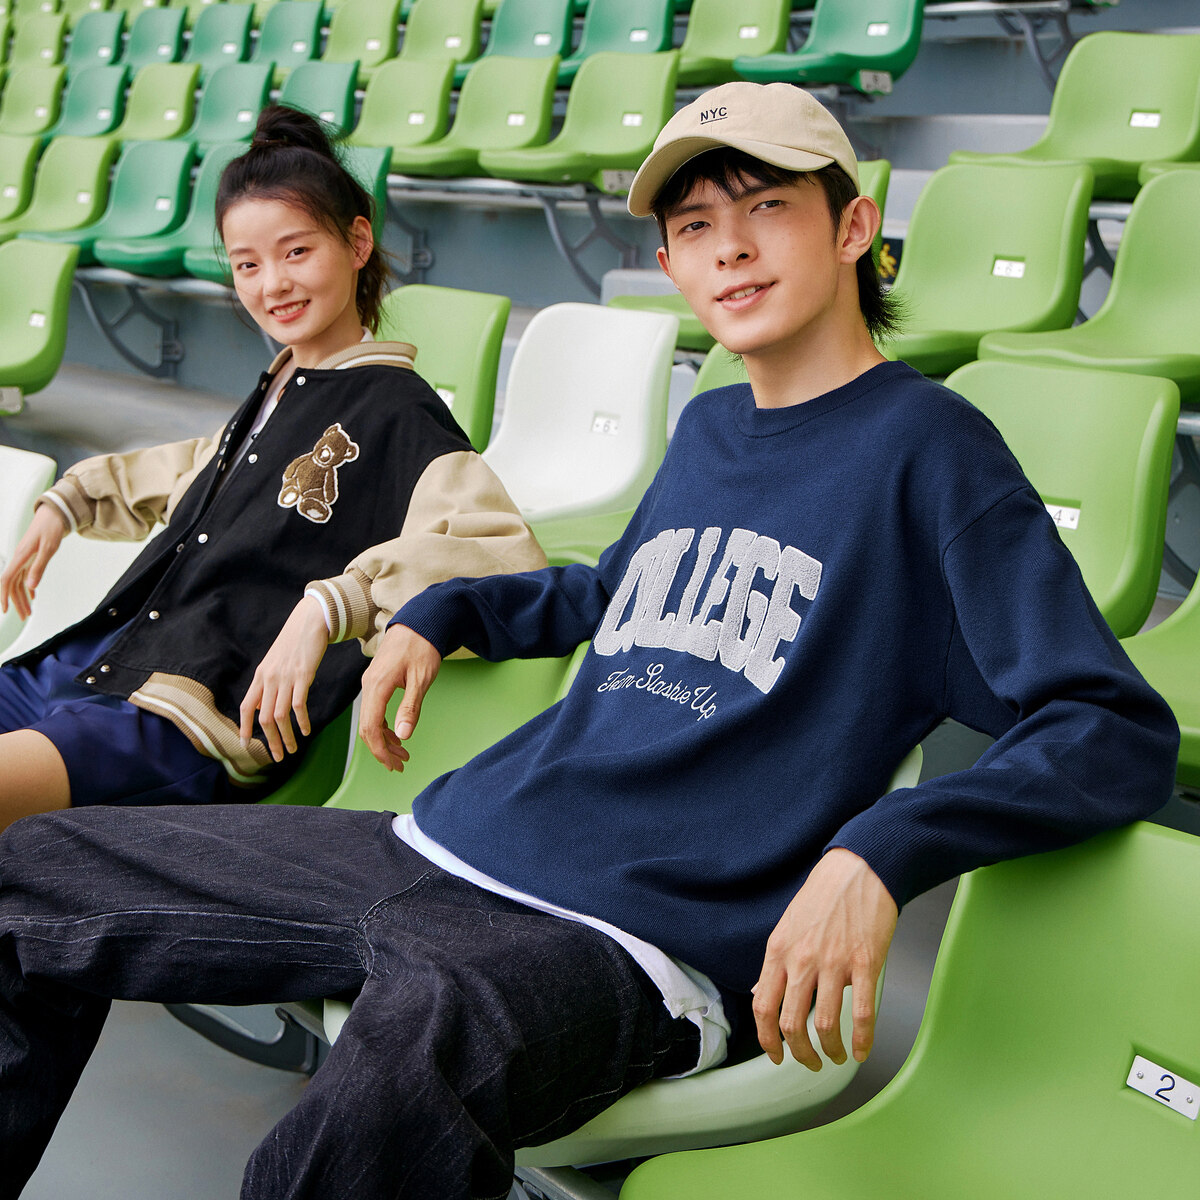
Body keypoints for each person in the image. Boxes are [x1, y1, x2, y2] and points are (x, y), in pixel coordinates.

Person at [0, 83, 1178, 1200]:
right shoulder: (712, 426)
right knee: (33, 873)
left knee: (361, 1116)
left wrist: (879, 853)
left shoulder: (933, 451)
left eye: (769, 208)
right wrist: (444, 613)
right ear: (669, 267)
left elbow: (1109, 725)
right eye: (696, 225)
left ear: (855, 227)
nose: (731, 248)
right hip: (449, 842)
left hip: (636, 937)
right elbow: (615, 589)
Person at [0, 104, 544, 830]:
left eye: (296, 252)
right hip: (103, 663)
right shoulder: (286, 380)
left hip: (186, 725)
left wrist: (332, 605)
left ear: (357, 242)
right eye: (247, 265)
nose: (272, 284)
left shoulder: (401, 413)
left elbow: (506, 561)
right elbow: (208, 468)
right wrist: (72, 499)